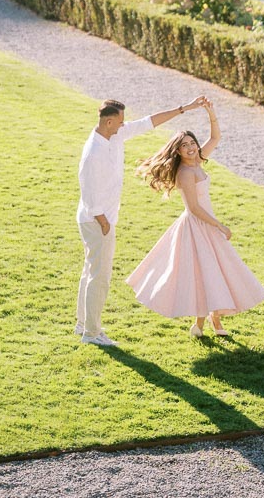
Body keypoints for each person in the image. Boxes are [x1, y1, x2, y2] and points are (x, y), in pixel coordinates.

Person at [127, 99, 264, 336]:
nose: (191, 148)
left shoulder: (198, 161)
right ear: (177, 151)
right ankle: (205, 322)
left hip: (206, 223)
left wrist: (211, 113)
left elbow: (215, 139)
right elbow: (193, 208)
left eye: (192, 143)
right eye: (185, 146)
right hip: (196, 226)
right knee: (204, 273)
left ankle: (208, 321)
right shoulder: (184, 173)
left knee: (214, 271)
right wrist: (219, 225)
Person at [77, 95, 207, 346]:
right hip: (96, 221)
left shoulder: (115, 135)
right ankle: (91, 333)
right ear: (109, 122)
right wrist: (104, 223)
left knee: (90, 271)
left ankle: (83, 324)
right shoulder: (94, 152)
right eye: (121, 121)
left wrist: (184, 108)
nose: (126, 125)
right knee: (99, 277)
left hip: (99, 219)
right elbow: (88, 192)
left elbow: (150, 122)